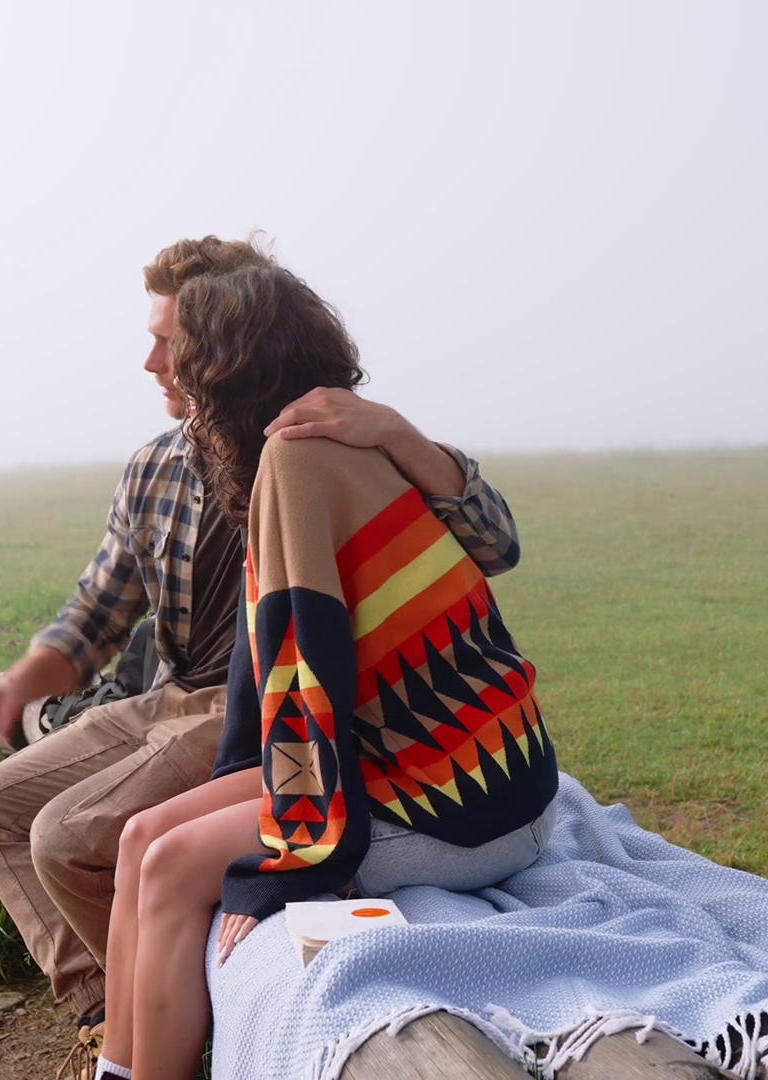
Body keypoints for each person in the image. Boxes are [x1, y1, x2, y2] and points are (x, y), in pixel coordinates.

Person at [0, 237, 523, 1049]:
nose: (150, 363)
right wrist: (13, 688)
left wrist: (400, 433)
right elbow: (96, 612)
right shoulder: (156, 468)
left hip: (253, 711)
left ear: (225, 351)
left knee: (71, 836)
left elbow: (491, 547)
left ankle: (169, 1021)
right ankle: (108, 1012)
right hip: (176, 695)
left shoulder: (328, 443)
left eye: (169, 343)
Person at [97, 264, 558, 1080]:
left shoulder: (298, 459)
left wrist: (294, 854)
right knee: (140, 840)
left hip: (465, 801)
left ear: (228, 372)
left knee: (169, 865)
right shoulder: (330, 441)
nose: (165, 373)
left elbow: (303, 666)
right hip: (430, 762)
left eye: (184, 356)